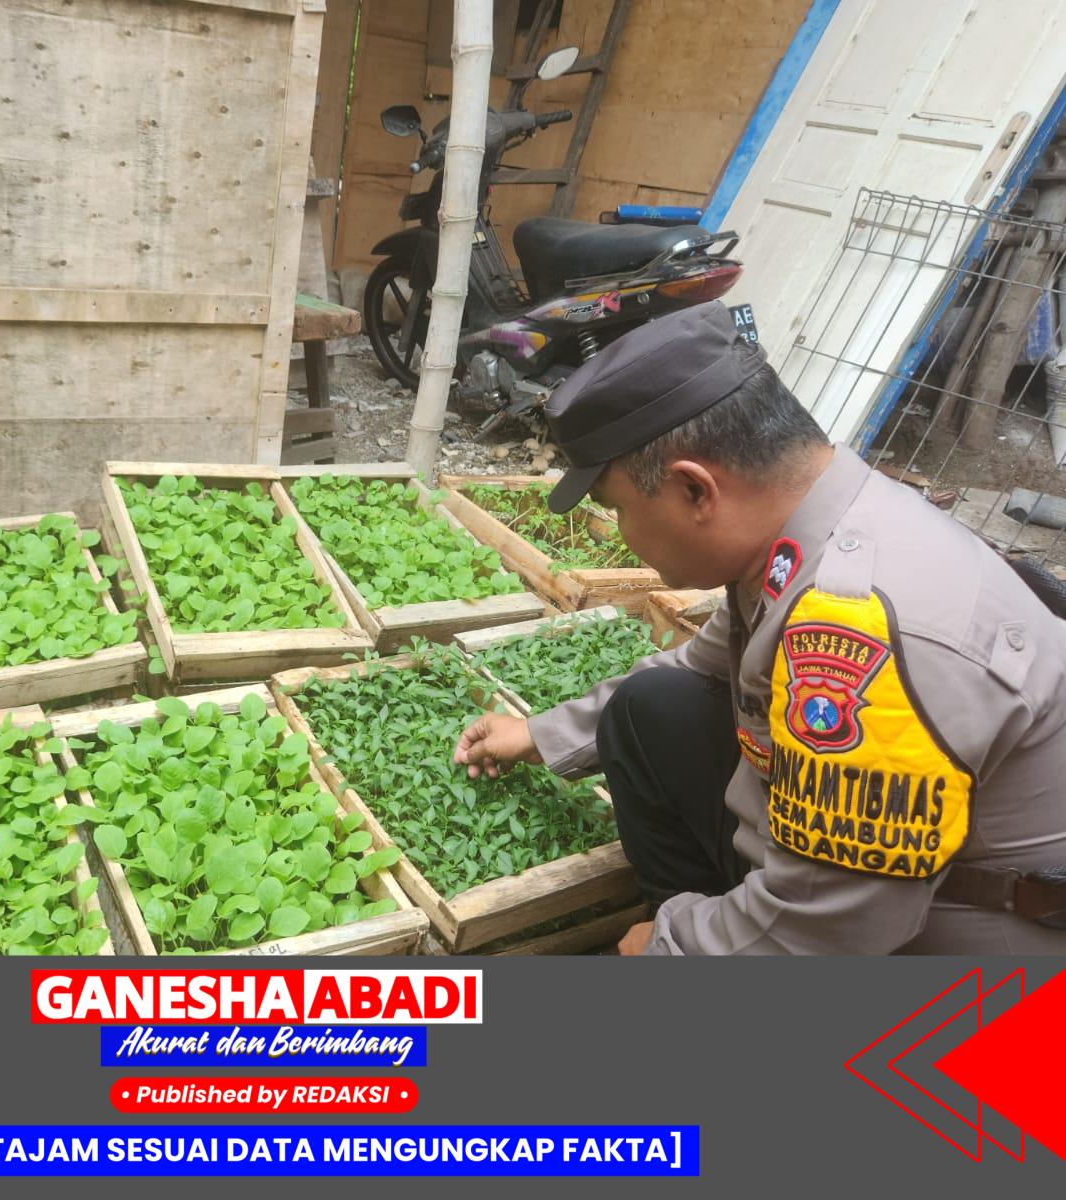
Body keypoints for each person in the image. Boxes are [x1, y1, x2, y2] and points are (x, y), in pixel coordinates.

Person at [453, 301, 1066, 955]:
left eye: (619, 509)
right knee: (650, 706)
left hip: (967, 939)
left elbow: (828, 928)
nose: (623, 535)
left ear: (696, 490)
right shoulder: (817, 524)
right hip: (884, 887)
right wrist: (540, 735)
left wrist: (669, 948)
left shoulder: (858, 623)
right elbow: (696, 665)